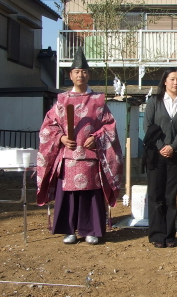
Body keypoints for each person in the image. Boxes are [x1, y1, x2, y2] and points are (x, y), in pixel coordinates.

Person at [36, 47, 123, 245]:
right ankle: (70, 230)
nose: (80, 75)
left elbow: (109, 126)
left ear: (89, 74)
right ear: (71, 75)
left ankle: (91, 230)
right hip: (69, 156)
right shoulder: (61, 99)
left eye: (84, 71)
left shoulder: (98, 100)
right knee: (68, 195)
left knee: (91, 195)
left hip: (91, 156)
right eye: (76, 71)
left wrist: (97, 136)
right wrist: (60, 138)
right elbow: (49, 125)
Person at [143, 67, 177, 248]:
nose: (176, 83)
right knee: (156, 195)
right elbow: (148, 125)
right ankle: (157, 235)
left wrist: (173, 146)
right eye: (172, 79)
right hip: (155, 155)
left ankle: (170, 235)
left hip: (175, 156)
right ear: (165, 81)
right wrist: (162, 146)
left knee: (170, 196)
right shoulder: (154, 101)